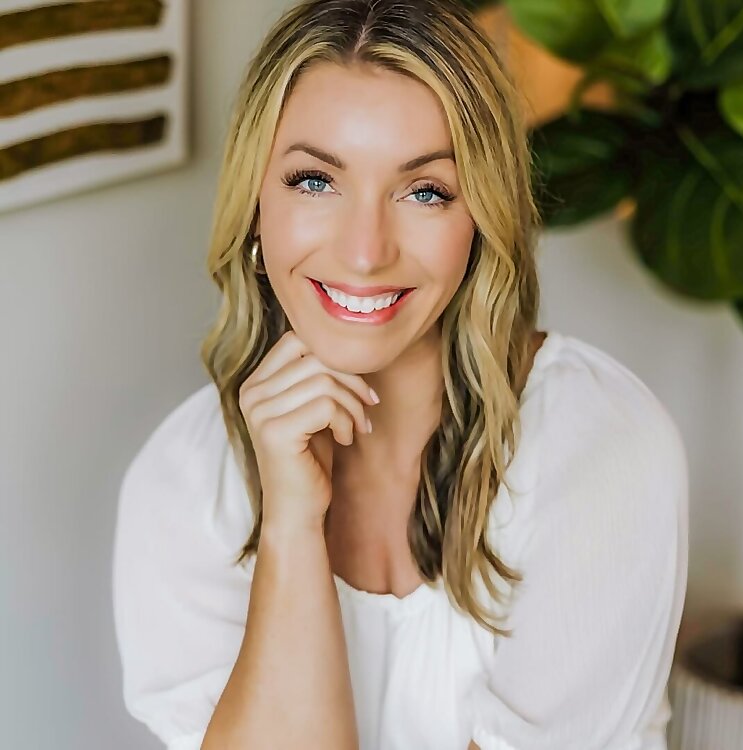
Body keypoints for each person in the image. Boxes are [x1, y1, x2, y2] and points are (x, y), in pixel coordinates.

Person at [112, 0, 689, 748]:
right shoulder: (186, 480)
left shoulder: (596, 443)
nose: (364, 252)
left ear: (481, 218)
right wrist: (291, 525)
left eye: (425, 191)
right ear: (256, 204)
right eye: (314, 181)